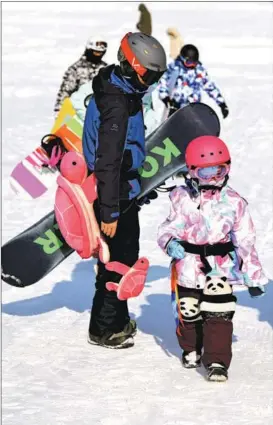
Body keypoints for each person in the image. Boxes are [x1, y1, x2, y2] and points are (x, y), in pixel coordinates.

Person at [157, 135, 268, 381]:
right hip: (188, 264)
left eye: (219, 170)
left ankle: (217, 360)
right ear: (192, 171)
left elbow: (245, 239)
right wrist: (170, 242)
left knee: (219, 313)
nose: (213, 178)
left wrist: (253, 276)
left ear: (227, 168)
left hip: (220, 269)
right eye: (205, 172)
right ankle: (191, 347)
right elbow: (168, 227)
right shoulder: (182, 198)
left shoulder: (235, 202)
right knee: (189, 311)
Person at [82, 32, 167, 349]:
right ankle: (104, 329)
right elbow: (108, 161)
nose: (153, 82)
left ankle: (114, 320)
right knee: (119, 260)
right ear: (134, 68)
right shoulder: (118, 105)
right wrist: (111, 210)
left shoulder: (117, 89)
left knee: (117, 259)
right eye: (151, 75)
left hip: (121, 189)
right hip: (113, 195)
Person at [158, 44, 229, 119]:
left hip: (193, 108)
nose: (192, 65)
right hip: (175, 107)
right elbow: (162, 82)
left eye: (194, 63)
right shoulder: (174, 68)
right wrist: (165, 98)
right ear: (182, 59)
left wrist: (222, 104)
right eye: (188, 63)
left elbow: (210, 87)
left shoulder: (199, 71)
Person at [54, 36, 108, 116]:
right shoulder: (76, 69)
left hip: (101, 113)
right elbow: (65, 92)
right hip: (78, 114)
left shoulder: (106, 69)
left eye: (100, 53)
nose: (98, 55)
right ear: (89, 50)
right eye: (96, 52)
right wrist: (60, 112)